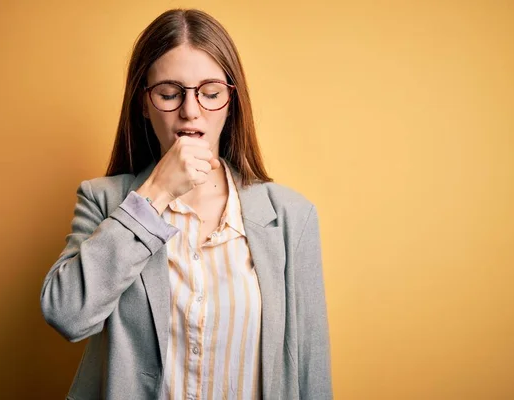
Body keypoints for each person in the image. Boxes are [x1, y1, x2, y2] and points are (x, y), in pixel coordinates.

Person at [40, 8, 332, 400]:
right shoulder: (104, 200)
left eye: (210, 93)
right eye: (169, 93)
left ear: (231, 101)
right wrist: (155, 193)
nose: (190, 111)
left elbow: (311, 370)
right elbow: (67, 314)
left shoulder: (291, 217)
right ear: (143, 104)